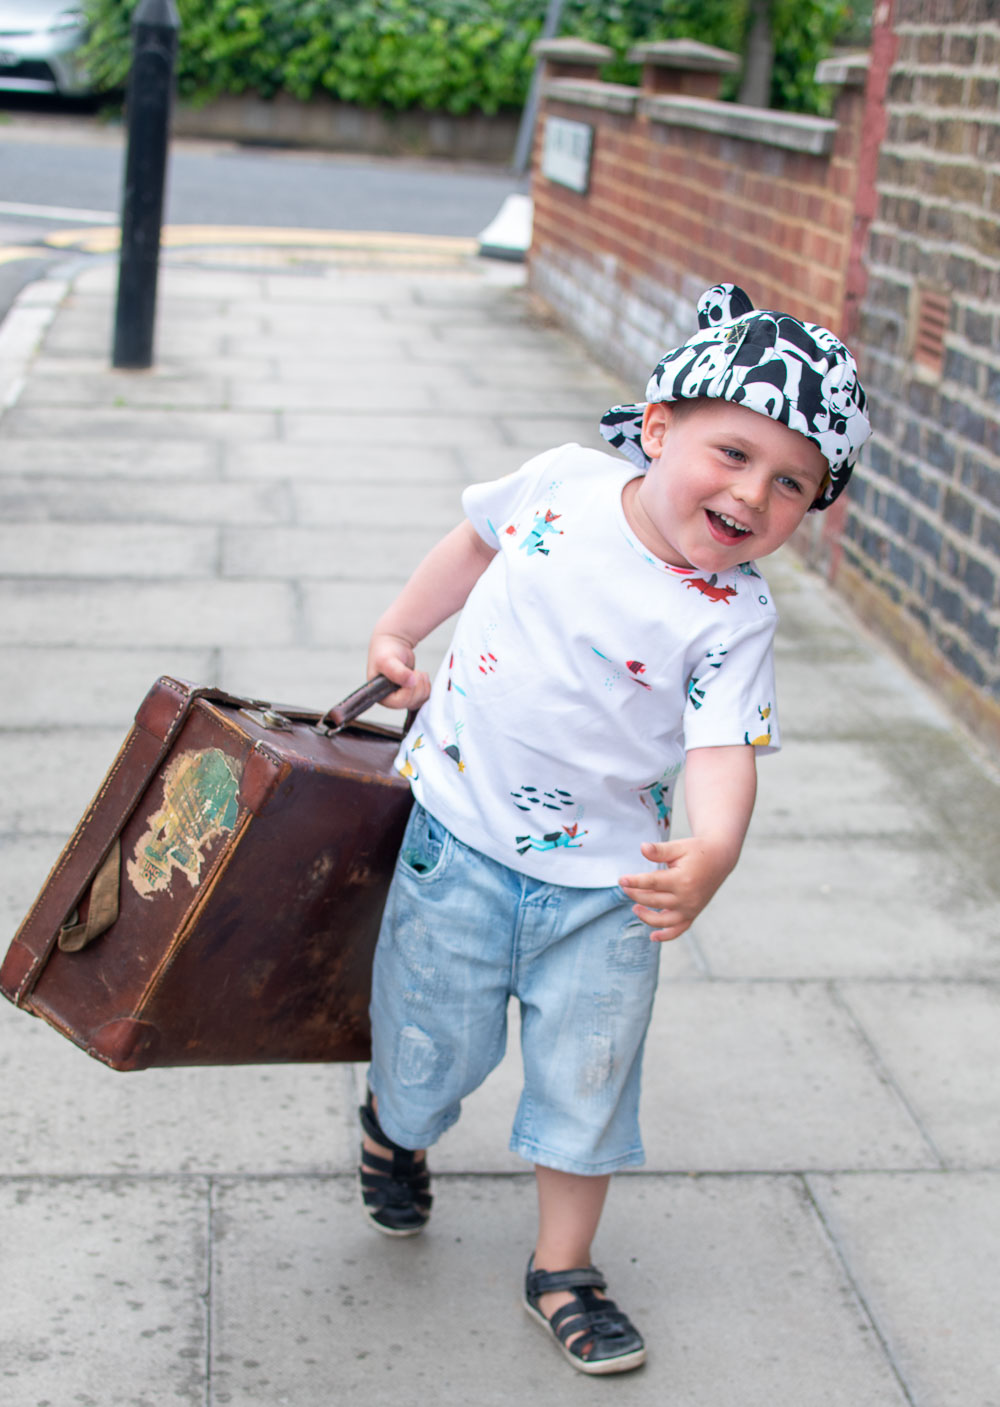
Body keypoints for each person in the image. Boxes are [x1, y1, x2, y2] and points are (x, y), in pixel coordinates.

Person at [357, 282, 870, 1375]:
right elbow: (472, 539)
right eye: (731, 454)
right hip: (458, 840)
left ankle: (562, 1270)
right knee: (425, 1050)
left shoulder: (734, 617)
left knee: (588, 1078)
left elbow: (723, 748)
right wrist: (403, 628)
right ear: (656, 429)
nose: (752, 495)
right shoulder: (559, 485)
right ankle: (391, 1129)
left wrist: (714, 848)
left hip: (608, 892)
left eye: (791, 485)